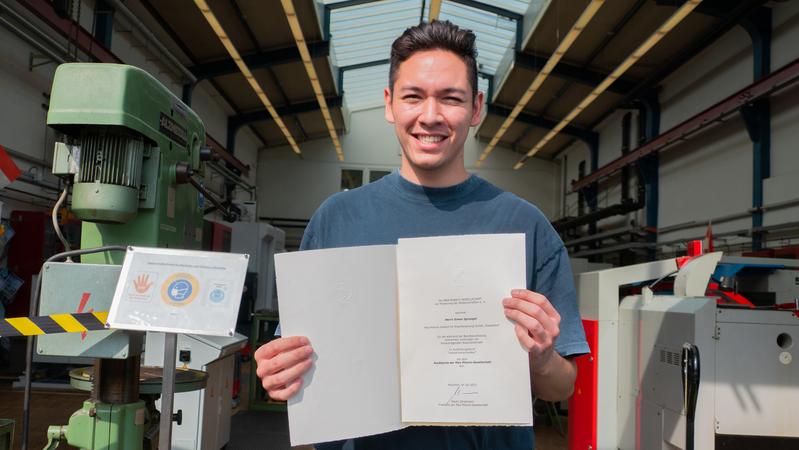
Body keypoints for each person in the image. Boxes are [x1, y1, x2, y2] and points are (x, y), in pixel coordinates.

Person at [254, 20, 589, 449]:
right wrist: (279, 368)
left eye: (451, 99)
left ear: (476, 108)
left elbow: (561, 387)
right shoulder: (336, 219)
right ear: (390, 103)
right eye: (414, 96)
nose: (430, 116)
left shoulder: (524, 225)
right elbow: (296, 357)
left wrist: (542, 357)